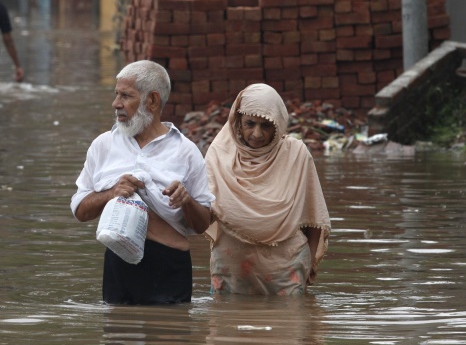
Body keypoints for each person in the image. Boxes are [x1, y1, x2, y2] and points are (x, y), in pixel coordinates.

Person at [70, 60, 214, 305]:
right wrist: (111, 193)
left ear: (153, 101)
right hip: (118, 265)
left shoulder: (186, 151)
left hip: (170, 266)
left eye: (126, 96)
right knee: (119, 335)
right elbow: (79, 211)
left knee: (170, 337)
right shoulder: (103, 145)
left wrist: (186, 200)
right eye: (116, 94)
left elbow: (203, 225)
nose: (116, 104)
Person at [204, 83, 331, 296]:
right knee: (226, 325)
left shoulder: (296, 154)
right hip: (231, 269)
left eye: (266, 125)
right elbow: (203, 212)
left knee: (289, 327)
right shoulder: (219, 155)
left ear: (279, 125)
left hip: (286, 269)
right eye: (250, 123)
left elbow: (313, 215)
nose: (256, 133)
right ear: (238, 122)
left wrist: (308, 264)